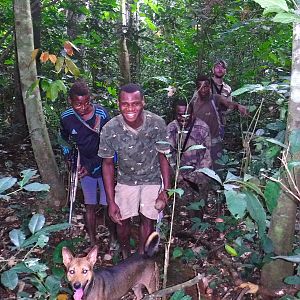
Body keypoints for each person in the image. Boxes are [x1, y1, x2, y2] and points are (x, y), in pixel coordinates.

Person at [98, 83, 170, 259]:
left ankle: (141, 259)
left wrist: (165, 190)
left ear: (143, 102)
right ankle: (125, 255)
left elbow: (164, 157)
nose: (130, 108)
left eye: (135, 103)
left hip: (151, 179)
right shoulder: (110, 128)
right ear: (118, 104)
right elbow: (107, 164)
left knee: (148, 221)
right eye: (125, 104)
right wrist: (110, 201)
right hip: (126, 180)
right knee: (121, 223)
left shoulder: (157, 124)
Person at [59, 79, 116, 247]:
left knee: (108, 204)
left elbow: (112, 142)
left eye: (86, 103)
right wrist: (69, 155)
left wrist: (94, 165)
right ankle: (93, 242)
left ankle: (113, 239)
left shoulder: (102, 114)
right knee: (90, 205)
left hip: (105, 164)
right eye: (78, 104)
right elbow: (63, 139)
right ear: (70, 101)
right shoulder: (67, 118)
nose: (83, 108)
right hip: (83, 166)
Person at [192, 75, 248, 169]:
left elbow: (228, 103)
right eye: (200, 87)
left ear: (209, 86)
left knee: (217, 170)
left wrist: (238, 106)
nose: (203, 89)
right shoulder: (193, 103)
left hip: (214, 144)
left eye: (205, 86)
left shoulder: (215, 98)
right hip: (198, 144)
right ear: (197, 89)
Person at [167, 99, 212, 215]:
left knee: (198, 210)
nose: (183, 118)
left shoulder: (202, 128)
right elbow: (168, 155)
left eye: (187, 114)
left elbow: (206, 157)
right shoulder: (171, 128)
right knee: (180, 212)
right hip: (179, 178)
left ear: (192, 113)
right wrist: (177, 174)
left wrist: (194, 176)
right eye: (180, 114)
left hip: (199, 177)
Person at [211, 59, 232, 138]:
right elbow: (194, 101)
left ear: (225, 71)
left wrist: (223, 111)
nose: (220, 69)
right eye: (217, 67)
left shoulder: (227, 88)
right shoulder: (205, 84)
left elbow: (230, 106)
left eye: (222, 67)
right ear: (213, 70)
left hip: (220, 124)